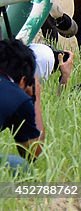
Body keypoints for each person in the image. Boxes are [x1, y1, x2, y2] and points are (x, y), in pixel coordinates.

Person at [0, 39, 44, 169]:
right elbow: (33, 152)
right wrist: (35, 97)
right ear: (24, 80)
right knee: (20, 165)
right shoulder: (16, 95)